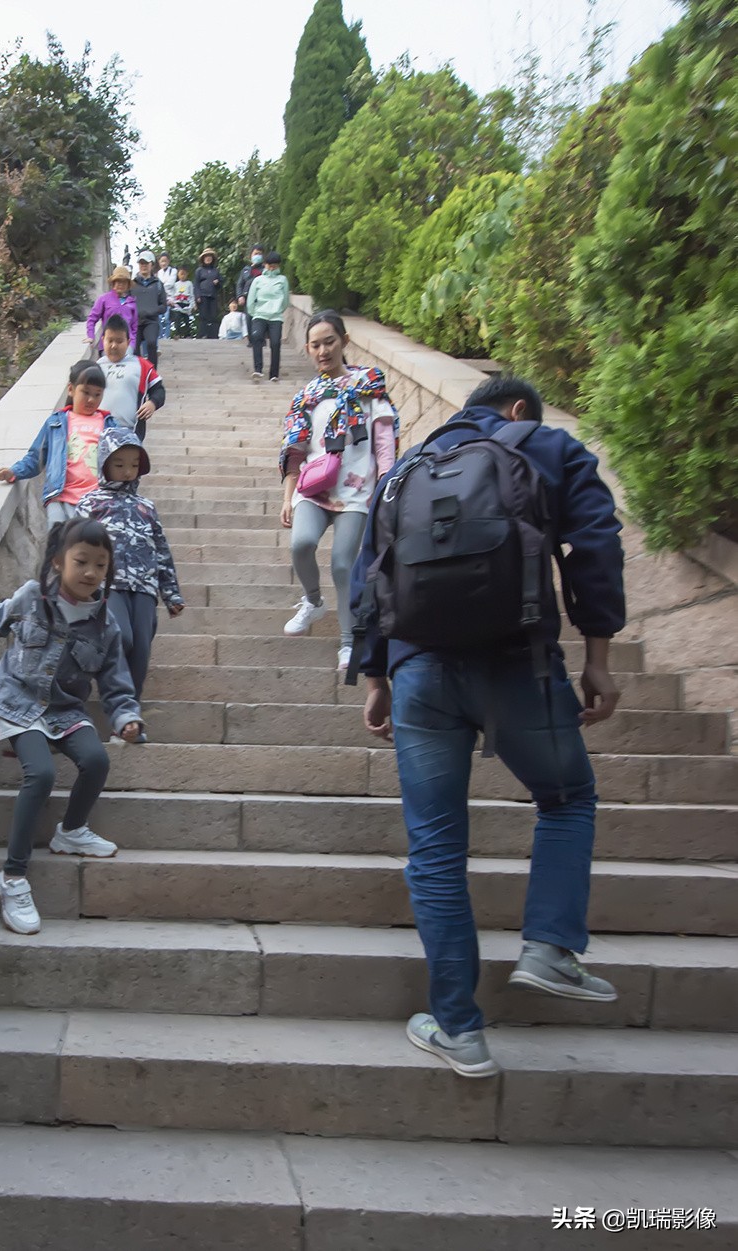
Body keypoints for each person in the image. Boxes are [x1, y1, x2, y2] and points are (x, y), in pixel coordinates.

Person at [353, 374, 626, 1079]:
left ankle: (458, 1029)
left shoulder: (406, 468)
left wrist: (376, 677)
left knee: (437, 851)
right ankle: (550, 948)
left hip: (419, 674)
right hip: (520, 663)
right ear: (517, 410)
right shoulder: (547, 446)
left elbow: (367, 577)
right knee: (566, 799)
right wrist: (597, 657)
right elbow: (595, 546)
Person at [0, 518, 144, 936]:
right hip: (17, 703)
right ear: (59, 561)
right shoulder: (31, 598)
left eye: (101, 564)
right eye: (82, 561)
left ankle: (72, 830)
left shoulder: (106, 625)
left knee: (96, 760)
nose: (91, 572)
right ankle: (14, 877)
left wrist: (126, 717)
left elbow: (115, 682)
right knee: (39, 774)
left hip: (64, 710)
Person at [280, 310, 398, 671]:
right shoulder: (306, 397)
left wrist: (386, 489)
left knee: (343, 565)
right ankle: (313, 601)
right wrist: (287, 497)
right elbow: (295, 449)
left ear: (345, 342)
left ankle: (348, 643)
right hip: (313, 487)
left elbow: (384, 445)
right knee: (301, 544)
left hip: (357, 492)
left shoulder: (369, 387)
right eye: (315, 344)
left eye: (329, 342)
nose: (322, 350)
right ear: (307, 348)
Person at [76, 428, 185, 733]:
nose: (127, 471)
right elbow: (74, 547)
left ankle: (128, 718)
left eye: (133, 465)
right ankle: (117, 705)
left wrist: (171, 594)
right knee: (120, 637)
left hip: (145, 587)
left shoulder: (147, 508)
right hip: (107, 585)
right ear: (105, 464)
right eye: (119, 463)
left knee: (141, 649)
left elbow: (162, 551)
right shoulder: (89, 503)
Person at [0, 361, 116, 528]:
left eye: (97, 394)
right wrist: (15, 472)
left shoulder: (109, 424)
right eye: (85, 392)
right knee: (59, 546)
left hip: (98, 502)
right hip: (60, 498)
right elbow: (36, 458)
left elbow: (124, 459)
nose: (91, 399)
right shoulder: (56, 423)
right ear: (71, 389)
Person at [98, 314, 166, 441]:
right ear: (103, 340)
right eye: (110, 340)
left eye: (119, 341)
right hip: (98, 433)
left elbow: (159, 390)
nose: (114, 346)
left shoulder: (142, 365)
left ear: (128, 342)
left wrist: (152, 403)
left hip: (130, 434)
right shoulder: (96, 366)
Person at [247, 251, 290, 381]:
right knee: (256, 337)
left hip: (275, 317)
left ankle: (274, 373)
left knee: (276, 343)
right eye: (269, 265)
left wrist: (278, 310)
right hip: (259, 314)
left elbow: (285, 300)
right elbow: (251, 299)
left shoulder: (282, 280)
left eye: (274, 266)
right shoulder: (258, 280)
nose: (272, 268)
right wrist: (254, 313)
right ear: (265, 264)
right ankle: (258, 369)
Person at [86, 266, 137, 354]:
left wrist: (132, 342)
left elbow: (134, 326)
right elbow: (92, 318)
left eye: (123, 282)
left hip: (126, 345)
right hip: (108, 343)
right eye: (117, 281)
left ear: (128, 285)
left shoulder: (132, 302)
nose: (120, 284)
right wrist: (91, 336)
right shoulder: (104, 299)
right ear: (113, 283)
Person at [132, 250, 167, 367]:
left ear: (151, 264)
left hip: (151, 321)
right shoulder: (132, 284)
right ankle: (137, 374)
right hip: (135, 322)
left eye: (146, 263)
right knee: (134, 348)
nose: (144, 266)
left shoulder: (158, 284)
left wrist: (152, 311)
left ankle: (153, 375)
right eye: (141, 263)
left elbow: (163, 306)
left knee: (152, 343)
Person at [194, 246, 223, 339]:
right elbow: (196, 284)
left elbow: (221, 285)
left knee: (213, 316)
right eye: (206, 256)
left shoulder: (216, 270)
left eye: (210, 256)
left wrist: (217, 282)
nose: (208, 258)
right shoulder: (199, 270)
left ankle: (213, 335)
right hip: (203, 296)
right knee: (203, 316)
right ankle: (202, 334)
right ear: (203, 258)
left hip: (213, 296)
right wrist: (197, 296)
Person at [156, 251, 178, 341]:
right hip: (161, 298)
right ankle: (160, 336)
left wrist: (163, 284)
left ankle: (167, 336)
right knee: (160, 318)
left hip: (170, 297)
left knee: (167, 318)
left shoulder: (173, 271)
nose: (163, 263)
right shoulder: (159, 273)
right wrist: (163, 284)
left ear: (168, 261)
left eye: (165, 261)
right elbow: (158, 285)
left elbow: (171, 283)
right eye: (162, 261)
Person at [236, 244, 264, 313]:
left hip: (260, 300)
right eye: (256, 254)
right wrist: (240, 296)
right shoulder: (246, 270)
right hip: (247, 299)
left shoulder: (265, 270)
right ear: (251, 255)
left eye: (260, 254)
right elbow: (240, 284)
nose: (257, 256)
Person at [171, 266, 196, 339]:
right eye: (181, 274)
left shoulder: (189, 283)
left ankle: (187, 334)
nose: (182, 276)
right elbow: (173, 294)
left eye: (184, 274)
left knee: (186, 320)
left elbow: (191, 295)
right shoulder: (175, 284)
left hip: (186, 303)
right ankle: (177, 334)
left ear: (187, 274)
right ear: (178, 275)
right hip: (178, 303)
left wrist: (193, 304)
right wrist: (172, 302)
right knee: (177, 319)